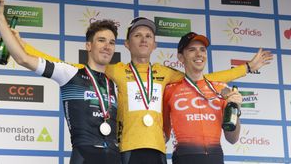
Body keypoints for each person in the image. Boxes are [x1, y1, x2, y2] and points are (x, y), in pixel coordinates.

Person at [21, 17, 272, 164]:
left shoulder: (167, 74)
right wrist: (21, 45)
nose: (143, 39)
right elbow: (71, 68)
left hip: (158, 152)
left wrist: (247, 68)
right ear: (128, 43)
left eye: (148, 36)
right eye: (138, 35)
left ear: (154, 44)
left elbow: (205, 78)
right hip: (126, 150)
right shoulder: (114, 70)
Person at [0, 0, 121, 164]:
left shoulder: (114, 82)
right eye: (101, 40)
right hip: (85, 156)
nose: (107, 46)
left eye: (112, 42)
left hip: (115, 157)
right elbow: (23, 59)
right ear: (88, 46)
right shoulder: (69, 72)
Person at [163, 32, 243, 164]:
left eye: (202, 50)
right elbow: (163, 136)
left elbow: (232, 139)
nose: (199, 54)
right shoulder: (169, 90)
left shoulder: (222, 89)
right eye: (192, 50)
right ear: (181, 57)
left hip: (215, 157)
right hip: (184, 157)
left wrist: (236, 111)